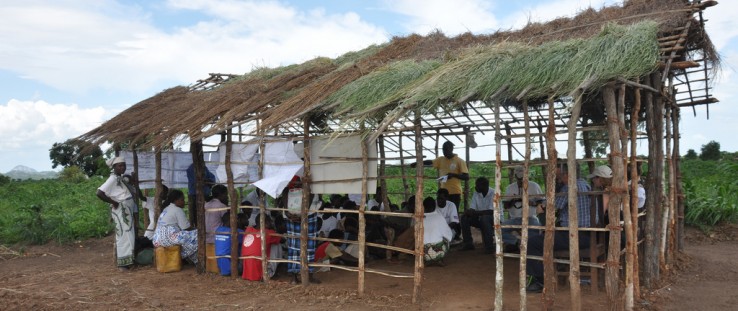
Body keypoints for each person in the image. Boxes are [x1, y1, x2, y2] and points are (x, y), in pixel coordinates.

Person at [526, 161, 593, 293]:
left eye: (560, 175)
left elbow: (553, 206)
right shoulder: (585, 184)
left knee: (534, 242)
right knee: (546, 237)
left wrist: (541, 206)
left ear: (567, 174)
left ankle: (540, 281)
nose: (559, 178)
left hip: (575, 236)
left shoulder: (568, 187)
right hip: (588, 235)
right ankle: (555, 269)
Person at [96, 157, 138, 271]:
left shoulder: (119, 178)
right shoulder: (113, 179)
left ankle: (128, 261)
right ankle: (123, 264)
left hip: (125, 209)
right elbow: (99, 193)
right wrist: (113, 202)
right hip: (122, 209)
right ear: (114, 167)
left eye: (123, 165)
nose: (122, 167)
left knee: (127, 234)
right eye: (119, 165)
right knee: (124, 235)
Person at [413, 141, 469, 209]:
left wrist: (453, 175)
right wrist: (418, 162)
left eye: (446, 149)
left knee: (453, 212)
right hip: (443, 194)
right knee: (442, 212)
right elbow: (430, 162)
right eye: (443, 149)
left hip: (455, 193)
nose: (444, 151)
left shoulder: (459, 161)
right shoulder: (441, 159)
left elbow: (466, 177)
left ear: (451, 149)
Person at [501, 166, 544, 252]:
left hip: (530, 217)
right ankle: (516, 242)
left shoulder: (534, 186)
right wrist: (513, 201)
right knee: (498, 230)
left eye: (523, 178)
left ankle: (523, 245)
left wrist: (531, 202)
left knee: (534, 234)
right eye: (519, 178)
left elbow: (542, 203)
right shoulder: (510, 188)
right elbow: (505, 206)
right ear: (516, 176)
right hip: (515, 219)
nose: (521, 180)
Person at [153, 189, 199, 264]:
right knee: (198, 234)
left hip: (157, 239)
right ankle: (193, 259)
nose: (184, 202)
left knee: (187, 237)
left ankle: (192, 259)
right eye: (182, 200)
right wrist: (196, 229)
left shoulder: (166, 208)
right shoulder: (177, 210)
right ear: (176, 201)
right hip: (168, 237)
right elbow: (186, 228)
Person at [285, 192, 322, 284]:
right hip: (298, 212)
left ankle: (302, 276)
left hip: (306, 212)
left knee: (303, 245)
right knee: (300, 245)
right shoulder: (290, 181)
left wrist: (289, 211)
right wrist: (288, 211)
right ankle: (298, 276)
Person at [242, 214, 283, 281]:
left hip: (247, 273)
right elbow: (282, 240)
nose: (271, 223)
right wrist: (273, 229)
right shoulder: (269, 232)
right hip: (260, 274)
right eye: (270, 221)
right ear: (266, 223)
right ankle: (270, 271)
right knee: (277, 244)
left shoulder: (248, 229)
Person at [460, 177, 496, 253]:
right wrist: (469, 212)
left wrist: (474, 212)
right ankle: (468, 243)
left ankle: (489, 247)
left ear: (485, 186)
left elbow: (491, 211)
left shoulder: (494, 193)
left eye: (478, 185)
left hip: (494, 219)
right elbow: (473, 208)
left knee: (485, 218)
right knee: (464, 217)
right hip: (481, 218)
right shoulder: (476, 193)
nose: (476, 187)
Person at [422, 197, 454, 266]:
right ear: (435, 206)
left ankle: (427, 260)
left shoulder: (419, 218)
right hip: (438, 253)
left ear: (423, 207)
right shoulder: (439, 217)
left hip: (423, 252)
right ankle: (439, 259)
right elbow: (449, 236)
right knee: (447, 238)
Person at [214, 212, 245, 276]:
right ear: (231, 220)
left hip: (220, 264)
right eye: (236, 219)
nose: (237, 221)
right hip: (231, 266)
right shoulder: (238, 232)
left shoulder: (218, 230)